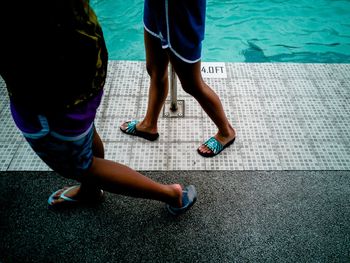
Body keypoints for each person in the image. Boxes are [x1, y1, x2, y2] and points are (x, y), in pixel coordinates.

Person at [0, 0, 197, 215]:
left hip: (48, 93)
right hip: (85, 66)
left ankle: (170, 194)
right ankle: (90, 189)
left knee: (81, 165)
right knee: (85, 131)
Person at [120, 0, 236, 157]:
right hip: (156, 8)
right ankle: (149, 124)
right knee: (154, 69)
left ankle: (226, 132)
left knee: (191, 84)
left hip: (181, 16)